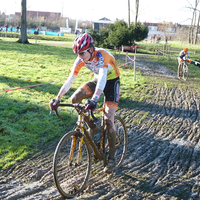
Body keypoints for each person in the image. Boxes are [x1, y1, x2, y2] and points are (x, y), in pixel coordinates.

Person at [49, 33, 120, 173]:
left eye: (82, 53)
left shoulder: (102, 56)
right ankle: (93, 127)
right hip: (97, 80)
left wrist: (95, 99)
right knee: (75, 99)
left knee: (109, 120)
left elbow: (103, 79)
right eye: (77, 54)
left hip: (111, 82)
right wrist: (57, 98)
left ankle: (111, 158)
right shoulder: (80, 59)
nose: (79, 56)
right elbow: (70, 80)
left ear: (91, 49)